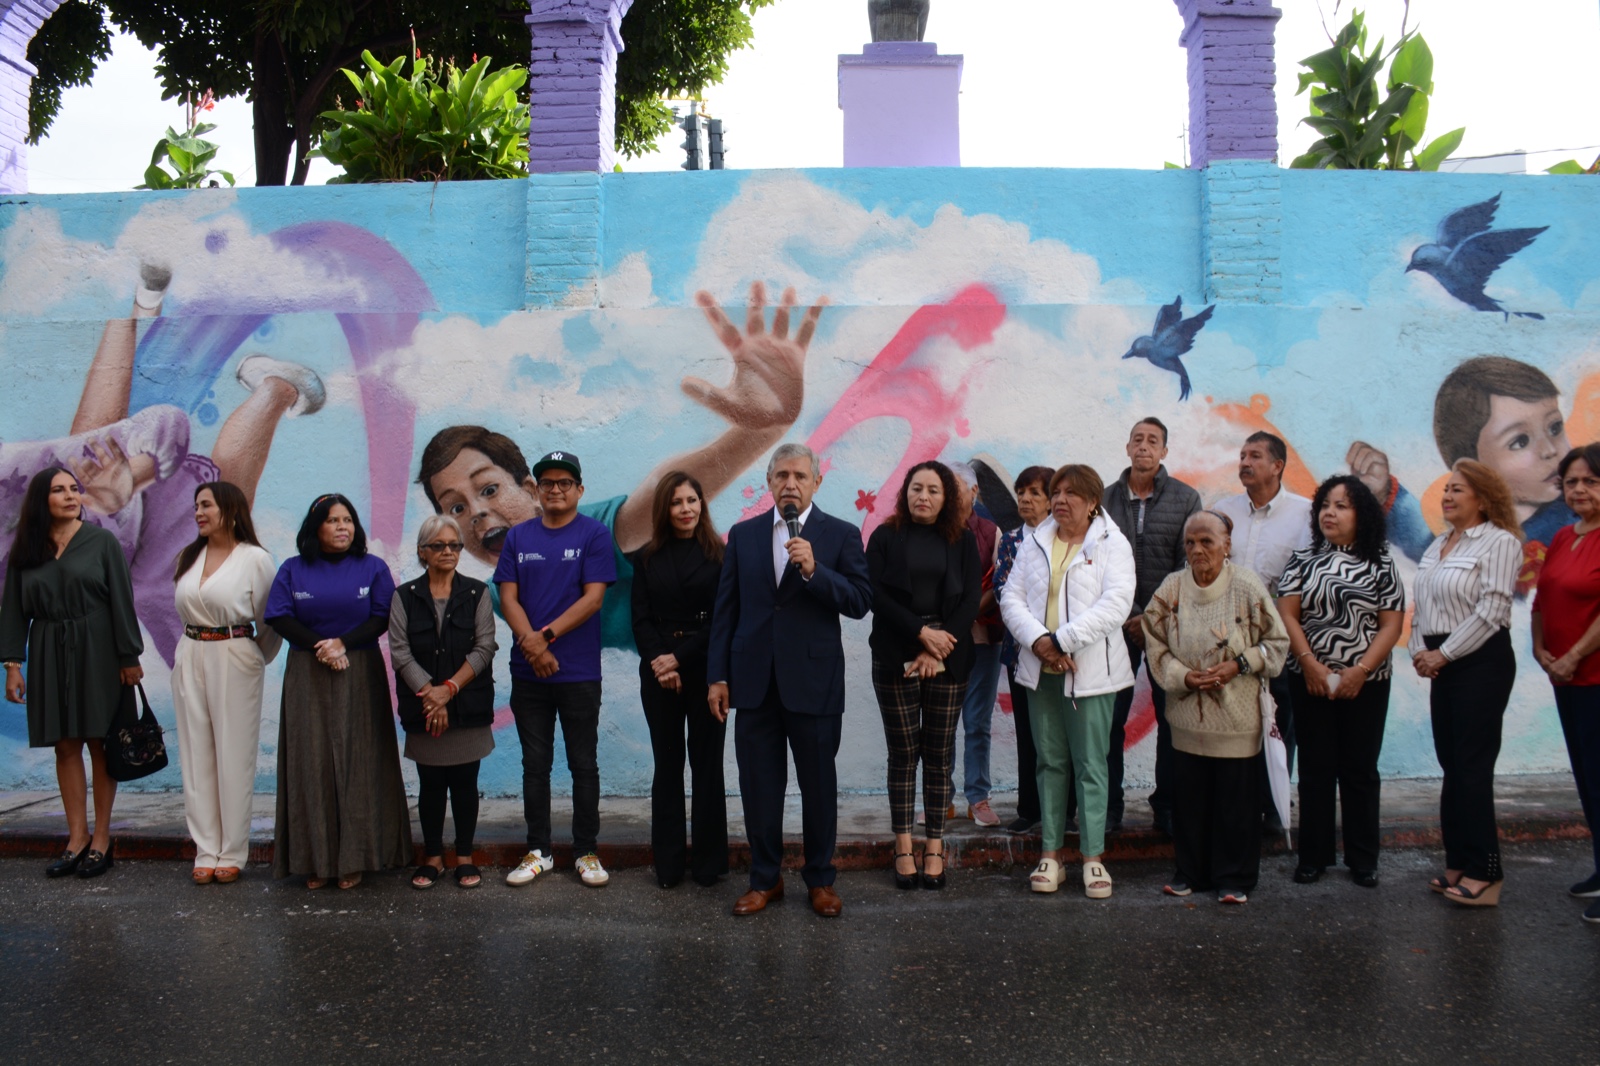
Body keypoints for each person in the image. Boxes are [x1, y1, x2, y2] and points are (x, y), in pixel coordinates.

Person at [416, 281, 827, 649]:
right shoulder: (499, 593)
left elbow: (657, 495)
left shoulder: (593, 530)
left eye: (489, 489)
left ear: (529, 489)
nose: (477, 512)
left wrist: (759, 433)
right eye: (456, 507)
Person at [707, 443, 873, 917]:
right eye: (781, 476)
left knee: (818, 786)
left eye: (800, 476)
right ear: (769, 483)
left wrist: (815, 571)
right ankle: (765, 879)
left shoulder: (839, 534)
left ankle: (820, 880)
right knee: (759, 786)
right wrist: (718, 676)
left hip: (814, 682)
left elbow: (860, 601)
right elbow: (726, 611)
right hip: (754, 683)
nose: (790, 484)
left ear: (817, 482)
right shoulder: (744, 535)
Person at [999, 464, 1134, 900]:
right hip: (1041, 672)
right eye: (1056, 492)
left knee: (1091, 764)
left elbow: (1116, 604)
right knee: (1050, 762)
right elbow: (1011, 597)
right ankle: (1051, 855)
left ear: (1093, 501)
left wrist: (1061, 640)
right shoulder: (1036, 540)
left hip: (1090, 674)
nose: (1060, 500)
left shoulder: (1112, 543)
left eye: (1071, 493)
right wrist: (1040, 642)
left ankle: (1093, 858)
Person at [1, 468, 144, 879]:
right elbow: (13, 610)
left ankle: (102, 839)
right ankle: (76, 838)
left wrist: (128, 657)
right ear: (40, 500)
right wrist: (13, 665)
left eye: (73, 489)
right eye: (58, 490)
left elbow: (122, 601)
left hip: (99, 649)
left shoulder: (102, 542)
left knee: (100, 743)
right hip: (49, 648)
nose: (70, 496)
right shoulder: (27, 549)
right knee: (65, 745)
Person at [1142, 511, 1289, 904]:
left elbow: (1277, 643)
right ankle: (1190, 872)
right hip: (1187, 717)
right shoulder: (1172, 588)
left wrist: (1239, 665)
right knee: (1190, 802)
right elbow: (1154, 641)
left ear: (1227, 544)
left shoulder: (1246, 586)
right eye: (1190, 542)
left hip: (1237, 720)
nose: (1197, 549)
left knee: (1235, 804)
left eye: (1207, 541)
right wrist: (1184, 677)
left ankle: (1234, 878)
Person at [265, 493, 410, 890]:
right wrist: (323, 647)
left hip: (359, 668)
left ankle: (356, 859)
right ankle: (316, 860)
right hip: (307, 671)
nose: (342, 527)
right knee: (310, 762)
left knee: (360, 761)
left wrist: (342, 644)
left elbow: (382, 616)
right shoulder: (293, 569)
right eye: (333, 520)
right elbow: (279, 616)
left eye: (347, 519)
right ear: (316, 528)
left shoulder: (372, 567)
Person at [495, 451, 618, 889]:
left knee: (583, 764)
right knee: (535, 765)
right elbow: (508, 598)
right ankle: (539, 851)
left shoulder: (594, 534)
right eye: (547, 482)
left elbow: (593, 599)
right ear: (536, 489)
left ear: (579, 490)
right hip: (529, 672)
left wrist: (543, 637)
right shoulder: (518, 537)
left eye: (565, 482)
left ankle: (586, 851)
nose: (556, 489)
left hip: (578, 672)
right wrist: (532, 646)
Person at [1276, 476, 1406, 888]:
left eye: (1341, 506)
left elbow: (1391, 625)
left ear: (1361, 515)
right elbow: (1288, 615)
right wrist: (1310, 665)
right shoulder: (1302, 559)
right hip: (1309, 678)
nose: (1329, 513)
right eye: (1325, 505)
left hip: (1367, 682)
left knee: (1360, 769)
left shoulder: (1381, 562)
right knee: (1315, 767)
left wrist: (1360, 671)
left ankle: (1363, 859)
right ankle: (1312, 858)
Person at [1409, 460, 1522, 908]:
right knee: (1451, 763)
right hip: (1441, 660)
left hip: (1481, 662)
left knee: (1472, 766)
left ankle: (1486, 871)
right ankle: (1458, 860)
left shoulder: (1500, 542)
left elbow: (1491, 611)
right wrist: (1420, 651)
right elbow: (1422, 605)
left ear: (1483, 497)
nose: (1448, 496)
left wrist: (1444, 654)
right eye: (1446, 489)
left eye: (1458, 490)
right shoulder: (1439, 544)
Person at [867, 461, 982, 890]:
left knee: (938, 754)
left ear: (946, 497)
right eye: (917, 488)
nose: (924, 496)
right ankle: (903, 845)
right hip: (896, 651)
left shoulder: (963, 540)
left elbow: (971, 598)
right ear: (906, 492)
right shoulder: (884, 537)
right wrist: (920, 636)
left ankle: (934, 845)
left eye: (934, 490)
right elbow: (876, 595)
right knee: (902, 753)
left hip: (948, 654)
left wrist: (938, 645)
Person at [1349, 356, 1573, 570]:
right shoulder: (1472, 537)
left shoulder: (1577, 514)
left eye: (1555, 428)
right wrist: (1385, 493)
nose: (1550, 450)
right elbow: (1429, 548)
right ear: (1472, 471)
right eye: (1520, 442)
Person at [170, 481, 282, 885]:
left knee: (233, 755)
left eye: (206, 505)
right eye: (196, 506)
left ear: (230, 510)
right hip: (190, 653)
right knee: (196, 754)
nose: (198, 513)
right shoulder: (189, 556)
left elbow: (270, 622)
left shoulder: (255, 559)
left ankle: (232, 851)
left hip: (234, 655)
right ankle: (205, 849)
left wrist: (251, 658)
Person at [1099, 417, 1201, 834]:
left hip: (1167, 628)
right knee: (1109, 720)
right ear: (1127, 448)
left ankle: (1167, 807)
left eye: (1152, 441)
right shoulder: (1103, 498)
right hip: (1115, 625)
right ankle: (1108, 807)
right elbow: (1098, 561)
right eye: (1137, 439)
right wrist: (1130, 614)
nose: (1144, 446)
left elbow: (1187, 563)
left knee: (1171, 718)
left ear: (1164, 451)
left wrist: (1150, 616)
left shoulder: (1186, 499)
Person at [630, 472, 729, 889]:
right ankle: (668, 865)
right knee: (667, 766)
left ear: (702, 504)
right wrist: (661, 662)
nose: (686, 509)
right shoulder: (645, 557)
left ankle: (709, 864)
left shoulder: (721, 555)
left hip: (707, 672)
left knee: (707, 766)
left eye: (692, 500)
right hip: (659, 674)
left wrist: (678, 658)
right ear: (664, 510)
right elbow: (640, 618)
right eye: (676, 502)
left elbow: (723, 619)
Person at [390, 515, 497, 891]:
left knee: (466, 783)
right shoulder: (404, 596)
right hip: (425, 707)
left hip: (467, 706)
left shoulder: (477, 593)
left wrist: (448, 689)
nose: (449, 551)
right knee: (431, 783)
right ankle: (433, 856)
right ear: (423, 551)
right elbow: (400, 652)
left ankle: (464, 856)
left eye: (455, 545)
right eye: (439, 545)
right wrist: (431, 695)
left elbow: (484, 647)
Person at [1212, 430, 1311, 828]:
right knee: (1234, 720)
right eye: (1242, 455)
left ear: (1277, 465)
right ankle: (1238, 803)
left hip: (1278, 637)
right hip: (1228, 637)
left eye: (1254, 456)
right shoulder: (1223, 511)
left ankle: (1274, 805)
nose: (1245, 463)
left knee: (1279, 719)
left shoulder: (1304, 515)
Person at [1532, 442, 1600, 924]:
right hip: (1565, 679)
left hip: (1593, 676)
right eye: (1571, 482)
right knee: (1587, 778)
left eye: (1590, 481)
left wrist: (1574, 655)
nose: (1579, 490)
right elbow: (1541, 601)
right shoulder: (1562, 536)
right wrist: (1541, 651)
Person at [994, 465, 1054, 835]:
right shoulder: (1011, 540)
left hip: (1062, 651)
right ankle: (1029, 808)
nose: (1025, 499)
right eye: (1021, 492)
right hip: (1021, 652)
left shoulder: (1067, 537)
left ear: (1051, 499)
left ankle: (1065, 809)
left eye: (1034, 492)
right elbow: (1003, 592)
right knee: (1028, 732)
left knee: (1060, 736)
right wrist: (1034, 633)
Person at [947, 462, 1003, 828]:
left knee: (977, 722)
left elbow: (999, 584)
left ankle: (978, 798)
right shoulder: (930, 530)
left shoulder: (990, 532)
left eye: (955, 487)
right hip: (940, 643)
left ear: (973, 492)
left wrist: (963, 616)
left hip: (982, 639)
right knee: (941, 723)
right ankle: (941, 798)